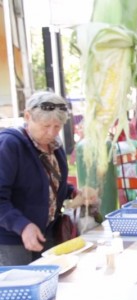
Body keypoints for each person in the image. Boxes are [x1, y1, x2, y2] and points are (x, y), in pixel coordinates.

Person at [0, 91, 79, 265]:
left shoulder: (54, 147)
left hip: (46, 233)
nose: (51, 132)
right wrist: (22, 226)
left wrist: (73, 193)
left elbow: (48, 186)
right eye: (45, 126)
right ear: (28, 116)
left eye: (57, 126)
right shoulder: (9, 145)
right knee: (20, 286)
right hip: (11, 241)